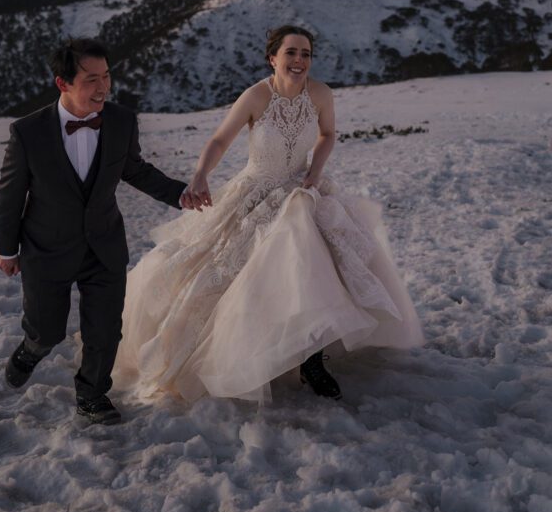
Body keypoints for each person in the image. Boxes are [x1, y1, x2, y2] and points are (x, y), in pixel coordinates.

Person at [115, 25, 423, 404]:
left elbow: (328, 134)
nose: (299, 61)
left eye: (306, 53)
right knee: (237, 272)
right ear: (272, 58)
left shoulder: (321, 94)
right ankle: (263, 350)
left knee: (315, 262)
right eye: (291, 52)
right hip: (255, 192)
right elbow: (219, 140)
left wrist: (316, 171)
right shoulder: (256, 96)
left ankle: (311, 358)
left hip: (303, 190)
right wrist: (199, 175)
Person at [0, 37, 188, 425]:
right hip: (45, 248)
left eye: (107, 77)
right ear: (62, 83)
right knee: (47, 329)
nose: (102, 88)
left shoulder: (121, 120)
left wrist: (181, 194)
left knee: (104, 331)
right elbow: (11, 193)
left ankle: (92, 394)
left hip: (104, 244)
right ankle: (32, 348)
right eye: (91, 79)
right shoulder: (27, 133)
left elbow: (134, 169)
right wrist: (6, 249)